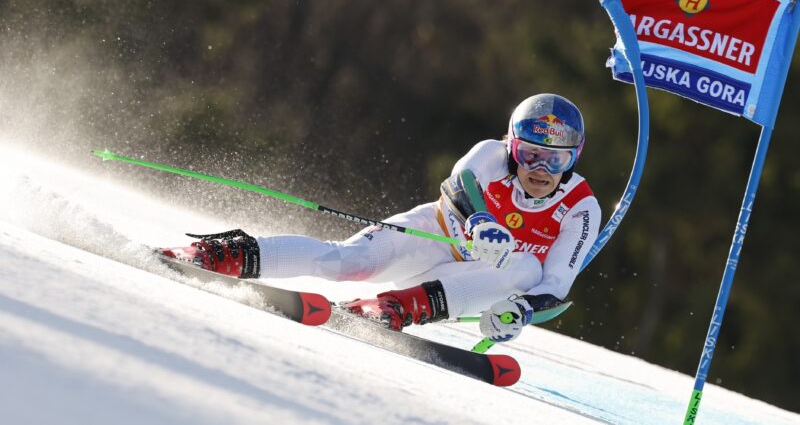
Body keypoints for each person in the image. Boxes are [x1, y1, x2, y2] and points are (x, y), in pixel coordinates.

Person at [162, 93, 601, 344]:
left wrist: (519, 313)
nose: (539, 170)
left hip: (477, 276)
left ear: (573, 159)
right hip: (432, 232)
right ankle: (224, 254)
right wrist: (481, 220)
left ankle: (395, 307)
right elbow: (458, 183)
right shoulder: (491, 154)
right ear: (512, 146)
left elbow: (554, 286)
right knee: (343, 263)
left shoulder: (582, 208)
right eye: (529, 154)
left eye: (555, 160)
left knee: (525, 267)